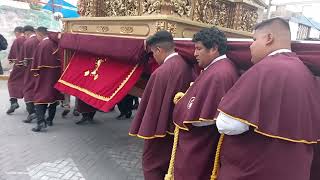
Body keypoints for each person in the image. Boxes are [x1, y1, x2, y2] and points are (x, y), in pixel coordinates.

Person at [215, 17, 320, 180]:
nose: (251, 45)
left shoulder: (263, 70)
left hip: (256, 171)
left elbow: (228, 125)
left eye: (254, 39)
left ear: (269, 38)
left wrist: (225, 103)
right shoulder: (307, 74)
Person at [167, 27, 239, 180]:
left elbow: (206, 118)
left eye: (199, 49)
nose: (195, 53)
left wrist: (185, 110)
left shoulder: (219, 74)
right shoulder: (216, 68)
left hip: (200, 145)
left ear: (214, 48)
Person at [129, 30, 196, 180]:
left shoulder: (161, 72)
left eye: (153, 53)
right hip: (177, 131)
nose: (153, 57)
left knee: (151, 166)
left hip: (160, 133)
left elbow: (152, 109)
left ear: (159, 49)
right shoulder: (185, 63)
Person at [30, 27, 64, 132]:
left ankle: (40, 122)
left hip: (44, 76)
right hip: (56, 74)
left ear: (39, 34)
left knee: (40, 98)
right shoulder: (55, 43)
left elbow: (36, 64)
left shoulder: (42, 44)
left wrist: (34, 73)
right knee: (53, 97)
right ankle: (49, 120)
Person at [20, 25, 39, 123]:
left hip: (30, 70)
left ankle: (31, 112)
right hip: (41, 70)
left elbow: (23, 61)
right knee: (39, 89)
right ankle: (41, 113)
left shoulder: (27, 42)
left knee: (27, 89)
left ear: (27, 33)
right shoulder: (41, 40)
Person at [6, 27, 26, 114]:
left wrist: (11, 59)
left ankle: (13, 102)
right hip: (31, 66)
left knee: (12, 82)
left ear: (17, 32)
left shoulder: (18, 40)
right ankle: (32, 107)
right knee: (29, 84)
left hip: (19, 66)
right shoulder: (33, 39)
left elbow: (13, 55)